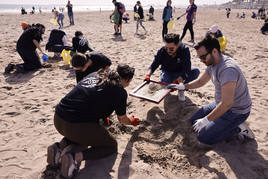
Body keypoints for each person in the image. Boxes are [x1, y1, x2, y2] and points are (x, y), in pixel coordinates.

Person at [46, 64, 139, 178]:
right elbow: (122, 119)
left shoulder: (96, 74)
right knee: (111, 145)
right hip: (74, 125)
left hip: (58, 117)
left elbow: (90, 97)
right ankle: (74, 158)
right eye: (129, 82)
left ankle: (59, 147)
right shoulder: (119, 91)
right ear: (127, 79)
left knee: (84, 134)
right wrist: (132, 121)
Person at [173, 35, 254, 144]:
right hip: (219, 103)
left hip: (236, 111)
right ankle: (224, 124)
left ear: (214, 51)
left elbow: (227, 104)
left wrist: (206, 120)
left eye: (203, 57)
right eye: (199, 58)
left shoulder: (228, 69)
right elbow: (201, 81)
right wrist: (184, 86)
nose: (201, 60)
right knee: (194, 121)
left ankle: (239, 128)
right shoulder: (212, 63)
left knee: (204, 137)